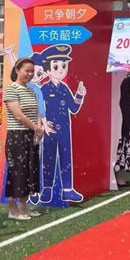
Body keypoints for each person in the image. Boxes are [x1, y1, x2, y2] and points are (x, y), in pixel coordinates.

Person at [39, 45, 86, 203]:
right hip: (49, 129)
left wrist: (80, 95)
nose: (61, 70)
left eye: (63, 66)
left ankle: (67, 189)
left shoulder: (64, 88)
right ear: (48, 70)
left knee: (66, 158)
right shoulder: (44, 89)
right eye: (56, 66)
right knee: (49, 158)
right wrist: (43, 124)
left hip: (65, 129)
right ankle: (47, 189)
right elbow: (38, 108)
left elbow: (73, 108)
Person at [3, 57, 44, 221]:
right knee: (17, 171)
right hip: (17, 136)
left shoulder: (31, 90)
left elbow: (37, 112)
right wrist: (36, 128)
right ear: (17, 70)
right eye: (27, 71)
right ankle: (13, 209)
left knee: (29, 170)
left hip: (31, 134)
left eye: (32, 71)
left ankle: (24, 206)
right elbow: (19, 115)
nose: (30, 74)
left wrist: (38, 130)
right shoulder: (11, 90)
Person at [113, 73, 130, 187]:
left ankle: (117, 175)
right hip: (121, 118)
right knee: (120, 147)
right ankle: (116, 176)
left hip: (124, 117)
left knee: (121, 147)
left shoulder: (121, 80)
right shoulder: (119, 81)